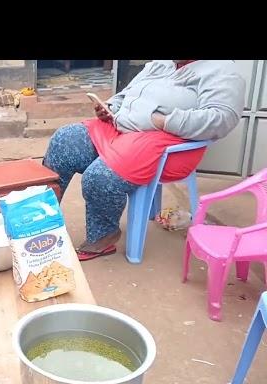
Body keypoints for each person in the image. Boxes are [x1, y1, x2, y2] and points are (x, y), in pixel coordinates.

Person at [42, 60, 245, 260]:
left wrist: (161, 121)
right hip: (121, 126)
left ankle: (103, 234)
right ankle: (41, 221)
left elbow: (222, 119)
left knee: (101, 177)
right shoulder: (162, 63)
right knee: (65, 140)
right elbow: (129, 92)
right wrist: (111, 106)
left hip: (166, 141)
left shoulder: (222, 70)